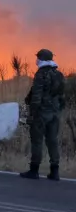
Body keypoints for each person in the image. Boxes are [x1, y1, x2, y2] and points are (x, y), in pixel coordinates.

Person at [21, 49, 66, 181]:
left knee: (37, 141)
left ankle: (34, 170)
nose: (37, 59)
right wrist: (58, 110)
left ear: (41, 59)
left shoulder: (41, 74)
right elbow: (62, 96)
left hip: (41, 113)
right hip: (54, 113)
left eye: (38, 57)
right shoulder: (59, 74)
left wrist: (32, 114)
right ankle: (55, 171)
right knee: (52, 141)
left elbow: (36, 97)